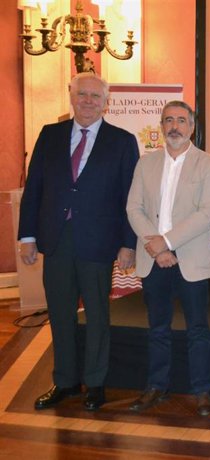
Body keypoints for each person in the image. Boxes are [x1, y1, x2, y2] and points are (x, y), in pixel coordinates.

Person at [18, 72, 138, 411]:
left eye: (95, 97)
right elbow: (34, 189)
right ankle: (66, 381)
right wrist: (27, 236)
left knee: (98, 315)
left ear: (106, 102)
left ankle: (96, 384)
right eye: (82, 94)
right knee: (60, 313)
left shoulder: (122, 141)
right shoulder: (50, 135)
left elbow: (131, 197)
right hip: (56, 239)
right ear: (71, 96)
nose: (88, 101)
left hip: (99, 242)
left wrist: (128, 243)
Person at [126, 100, 210, 417]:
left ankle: (202, 391)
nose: (174, 126)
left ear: (192, 127)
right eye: (168, 120)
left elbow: (207, 214)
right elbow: (133, 208)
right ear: (161, 126)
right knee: (157, 328)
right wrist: (157, 248)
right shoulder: (145, 163)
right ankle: (156, 386)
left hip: (190, 259)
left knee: (197, 329)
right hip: (154, 259)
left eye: (181, 120)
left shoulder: (207, 164)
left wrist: (165, 242)